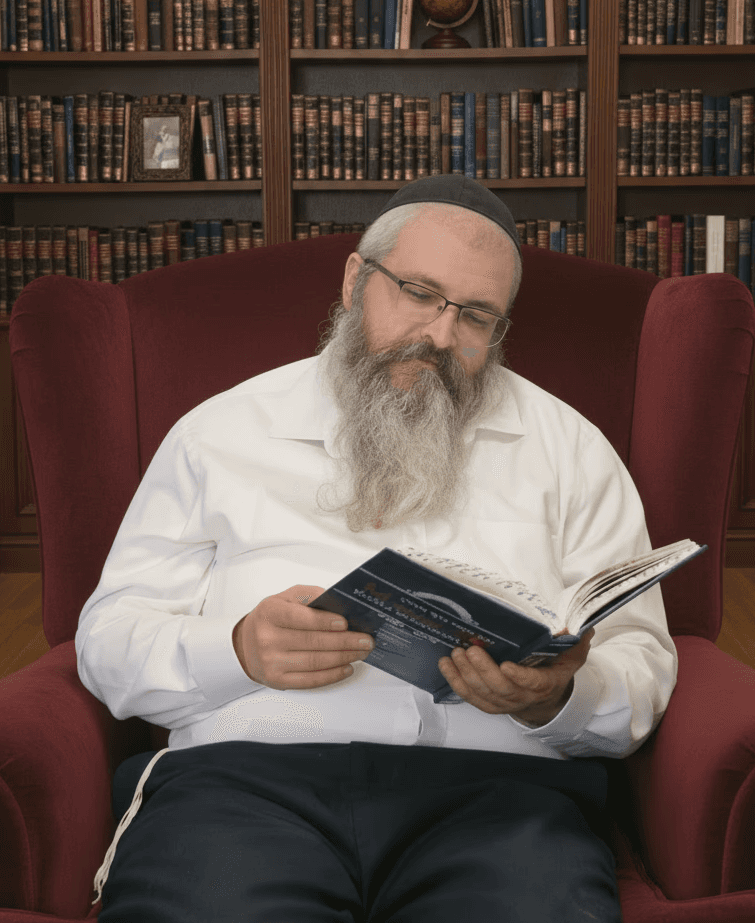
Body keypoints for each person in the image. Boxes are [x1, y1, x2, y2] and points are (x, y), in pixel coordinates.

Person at [76, 175, 676, 922]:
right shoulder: (220, 432)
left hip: (501, 802)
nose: (439, 333)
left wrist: (556, 696)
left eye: (475, 315)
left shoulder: (571, 450)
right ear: (357, 279)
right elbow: (106, 639)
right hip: (240, 790)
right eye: (418, 292)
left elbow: (642, 664)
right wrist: (236, 649)